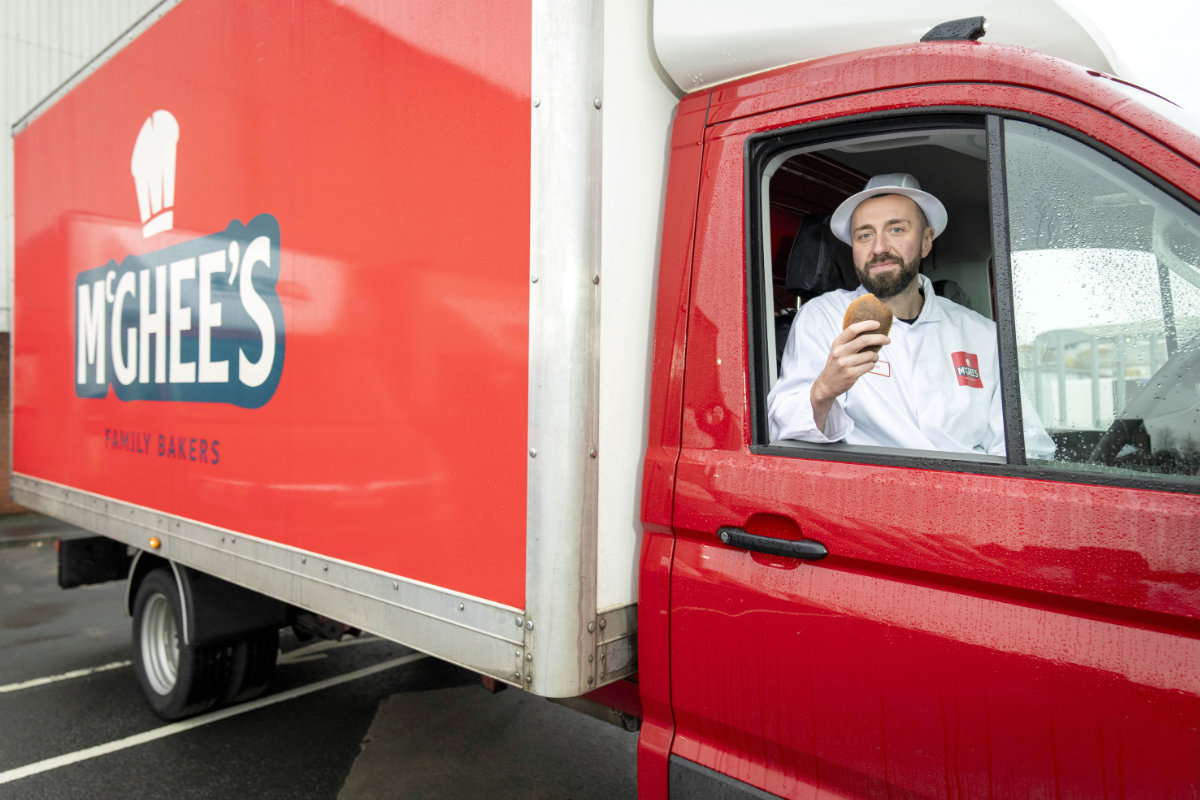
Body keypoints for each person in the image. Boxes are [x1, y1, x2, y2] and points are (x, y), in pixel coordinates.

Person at [767, 173, 1055, 457]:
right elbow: (781, 428)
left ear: (926, 240)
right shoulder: (822, 317)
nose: (879, 248)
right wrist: (824, 389)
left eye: (896, 229)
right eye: (865, 235)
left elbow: (1026, 448)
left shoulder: (983, 334)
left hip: (971, 494)